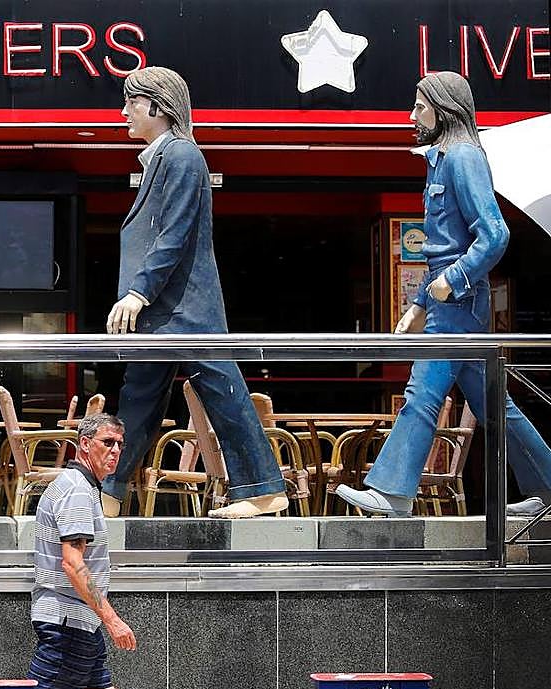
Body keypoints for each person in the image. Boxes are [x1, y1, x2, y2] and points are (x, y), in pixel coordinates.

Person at [337, 71, 551, 517]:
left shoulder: (463, 157)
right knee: (495, 407)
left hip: (458, 303)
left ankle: (393, 491)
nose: (412, 115)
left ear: (444, 108)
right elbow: (444, 247)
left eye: (420, 106)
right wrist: (420, 303)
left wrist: (451, 280)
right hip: (450, 301)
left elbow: (495, 234)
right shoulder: (443, 158)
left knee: (422, 393)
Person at [100, 67, 287, 520]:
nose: (124, 112)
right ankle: (108, 491)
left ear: (158, 107)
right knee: (139, 399)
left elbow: (175, 233)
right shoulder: (166, 158)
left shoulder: (182, 155)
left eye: (132, 102)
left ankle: (264, 489)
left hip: (183, 309)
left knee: (222, 393)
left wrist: (138, 292)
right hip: (166, 311)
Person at [29, 413, 206, 689]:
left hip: (77, 620)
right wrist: (111, 619)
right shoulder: (76, 490)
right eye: (107, 442)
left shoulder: (82, 487)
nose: (115, 451)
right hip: (67, 619)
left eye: (120, 444)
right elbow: (73, 564)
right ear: (83, 444)